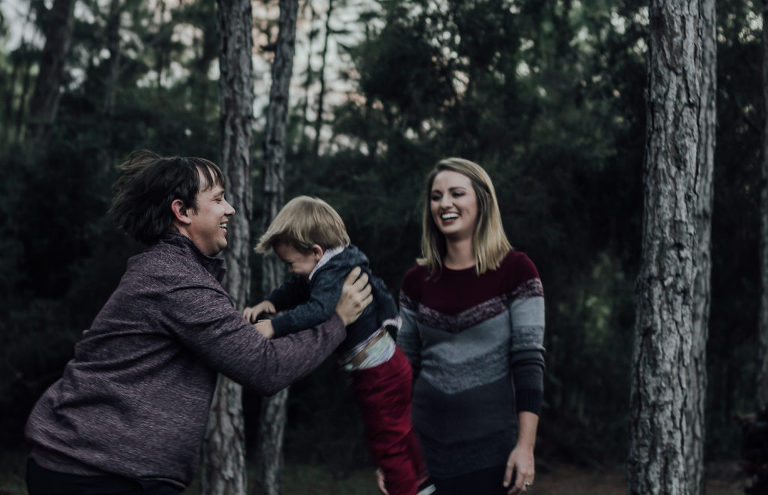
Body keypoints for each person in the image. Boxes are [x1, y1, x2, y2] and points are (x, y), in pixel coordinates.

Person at [24, 151, 372, 494]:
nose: (230, 210)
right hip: (97, 473)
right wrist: (337, 321)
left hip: (99, 468)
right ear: (182, 211)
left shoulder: (172, 273)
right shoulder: (177, 280)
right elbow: (267, 367)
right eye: (219, 199)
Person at [243, 195, 430, 495]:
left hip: (376, 374)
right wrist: (271, 301)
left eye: (290, 264)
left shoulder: (330, 274)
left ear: (316, 251)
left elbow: (317, 310)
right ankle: (424, 481)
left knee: (387, 445)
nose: (291, 270)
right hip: (392, 366)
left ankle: (408, 490)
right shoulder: (339, 260)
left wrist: (273, 325)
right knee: (401, 430)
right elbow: (297, 286)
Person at [396, 158, 545, 495]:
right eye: (436, 196)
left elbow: (528, 363)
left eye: (456, 193)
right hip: (423, 455)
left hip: (492, 455)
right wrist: (393, 451)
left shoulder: (517, 271)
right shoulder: (415, 281)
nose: (444, 203)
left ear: (482, 201)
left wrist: (526, 447)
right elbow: (402, 370)